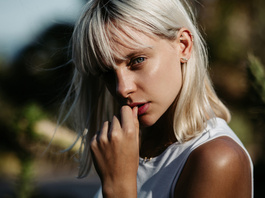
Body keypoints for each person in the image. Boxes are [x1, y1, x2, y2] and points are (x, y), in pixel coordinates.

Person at [61, 0, 253, 197]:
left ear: (183, 45)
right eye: (108, 73)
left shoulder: (217, 158)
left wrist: (118, 188)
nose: (122, 88)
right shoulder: (130, 148)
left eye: (137, 60)